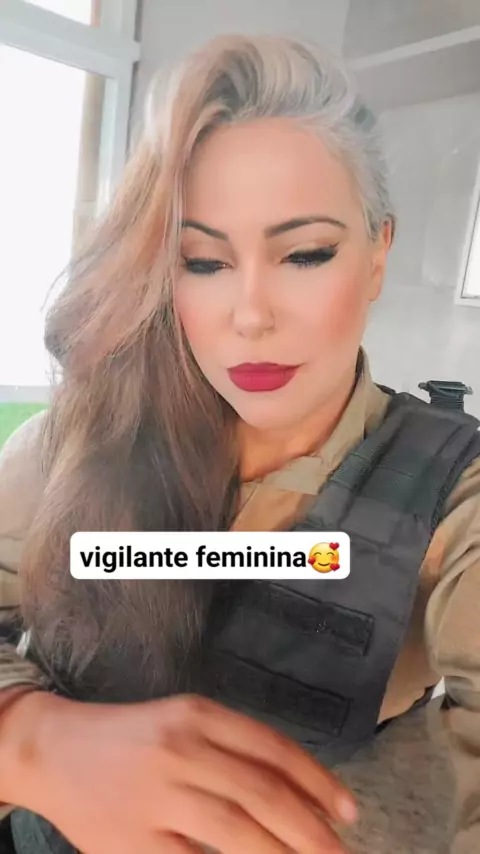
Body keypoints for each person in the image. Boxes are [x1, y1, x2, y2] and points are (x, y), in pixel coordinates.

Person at [0, 33, 478, 854]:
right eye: (203, 261)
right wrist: (28, 738)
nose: (251, 315)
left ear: (377, 255)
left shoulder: (451, 489)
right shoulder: (77, 443)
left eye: (305, 254)